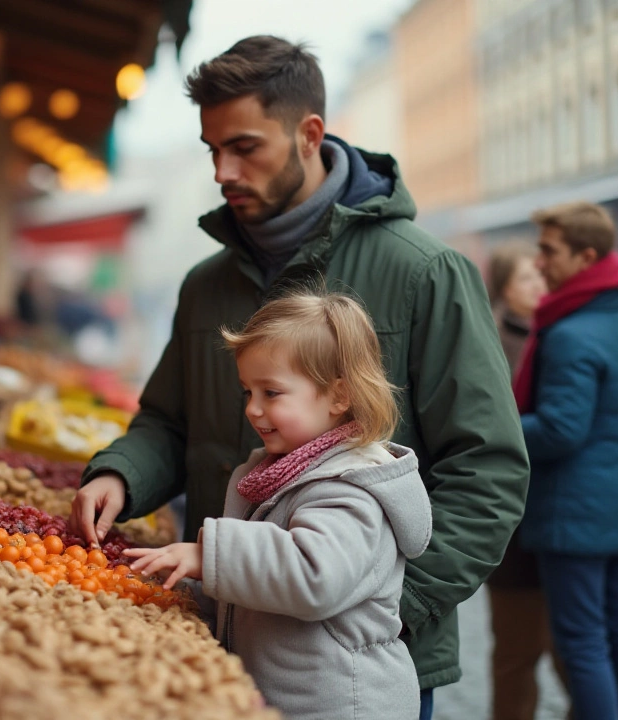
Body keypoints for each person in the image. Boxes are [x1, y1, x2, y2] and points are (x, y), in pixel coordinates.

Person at [70, 36, 530, 719]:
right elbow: (168, 421)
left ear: (309, 133)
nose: (224, 170)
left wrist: (385, 607)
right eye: (212, 150)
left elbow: (488, 468)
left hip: (362, 666)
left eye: (245, 147)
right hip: (225, 644)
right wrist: (118, 476)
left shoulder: (426, 272)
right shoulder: (206, 285)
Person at [123, 292, 431, 720]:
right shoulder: (280, 472)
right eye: (248, 390)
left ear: (339, 396)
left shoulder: (352, 487)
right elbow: (253, 593)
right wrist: (185, 591)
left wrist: (209, 556)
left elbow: (314, 575)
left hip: (342, 705)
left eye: (271, 392)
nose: (252, 408)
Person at [516, 201, 618, 720]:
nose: (540, 262)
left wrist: (499, 427)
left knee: (584, 643)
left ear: (586, 255)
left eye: (549, 251)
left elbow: (560, 430)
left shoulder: (570, 333)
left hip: (576, 508)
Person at [484, 243, 563, 720]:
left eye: (541, 276)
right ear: (504, 288)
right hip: (515, 521)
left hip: (557, 514)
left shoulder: (557, 333)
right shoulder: (492, 340)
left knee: (570, 644)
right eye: (526, 279)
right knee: (515, 649)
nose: (538, 285)